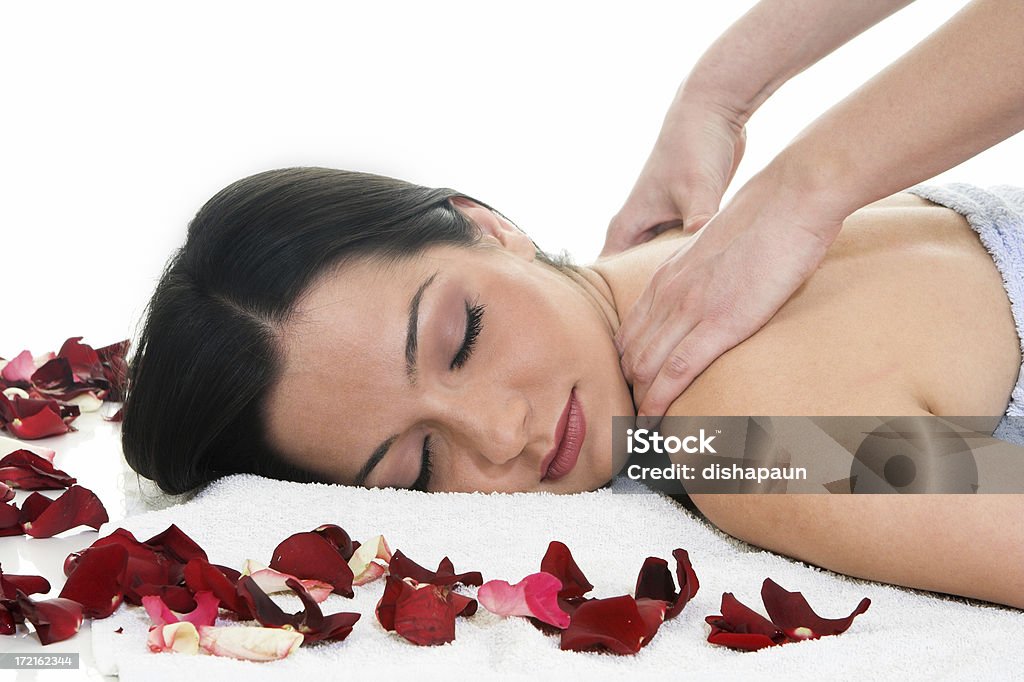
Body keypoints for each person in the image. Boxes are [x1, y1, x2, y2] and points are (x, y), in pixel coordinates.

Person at [122, 167, 1024, 609]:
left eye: (463, 337)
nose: (502, 431)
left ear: (489, 226)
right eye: (418, 463)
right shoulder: (704, 242)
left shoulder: (742, 439)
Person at [605, 0, 1024, 423]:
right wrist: (715, 95)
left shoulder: (741, 428)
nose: (532, 433)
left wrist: (801, 191)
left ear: (531, 248)